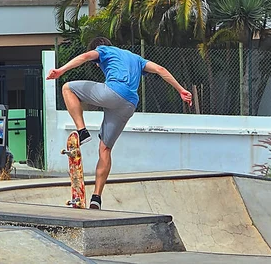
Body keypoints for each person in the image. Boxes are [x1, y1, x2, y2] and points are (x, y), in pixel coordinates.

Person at [46, 37, 192, 210]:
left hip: (113, 93)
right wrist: (181, 90)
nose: (98, 65)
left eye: (97, 63)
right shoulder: (136, 58)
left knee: (67, 88)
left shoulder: (104, 50)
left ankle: (82, 131)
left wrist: (61, 70)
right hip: (129, 104)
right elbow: (160, 69)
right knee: (105, 149)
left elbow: (85, 56)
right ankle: (96, 198)